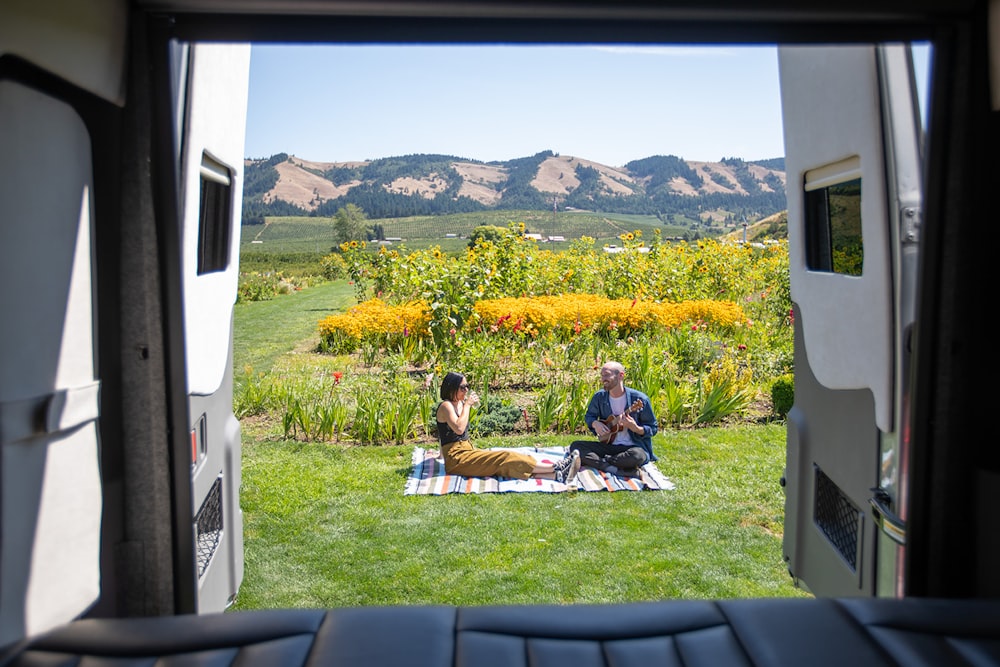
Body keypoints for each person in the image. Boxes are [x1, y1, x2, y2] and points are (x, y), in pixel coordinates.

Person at [436, 371, 580, 483]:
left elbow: (442, 434)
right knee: (504, 456)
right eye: (462, 387)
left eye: (467, 386)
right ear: (452, 388)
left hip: (465, 452)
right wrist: (468, 405)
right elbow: (459, 429)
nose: (466, 390)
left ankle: (557, 476)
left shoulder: (459, 403)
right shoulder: (446, 406)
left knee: (503, 465)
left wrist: (440, 454)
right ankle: (556, 466)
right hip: (457, 460)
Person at [569, 361, 658, 477]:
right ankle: (615, 468)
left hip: (633, 447)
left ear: (621, 375)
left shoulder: (640, 399)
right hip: (609, 446)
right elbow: (589, 417)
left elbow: (653, 428)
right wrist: (595, 423)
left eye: (606, 375)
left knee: (637, 456)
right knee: (576, 446)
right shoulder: (599, 397)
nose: (603, 379)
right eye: (602, 375)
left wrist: (635, 428)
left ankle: (603, 462)